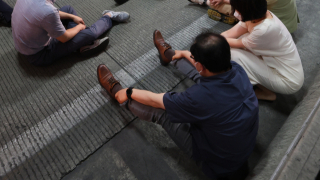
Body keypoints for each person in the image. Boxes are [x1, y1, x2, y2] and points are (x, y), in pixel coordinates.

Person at [97, 31, 258, 180]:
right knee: (201, 77)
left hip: (218, 167)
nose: (192, 58)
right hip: (239, 150)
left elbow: (156, 100)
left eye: (194, 58)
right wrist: (180, 54)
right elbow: (202, 70)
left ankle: (119, 95)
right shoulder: (236, 69)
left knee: (162, 113)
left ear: (200, 64)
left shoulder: (197, 98)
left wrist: (129, 92)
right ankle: (168, 55)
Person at [13, 0, 129, 66]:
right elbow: (64, 38)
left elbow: (46, 14)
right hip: (38, 55)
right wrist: (79, 27)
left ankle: (82, 44)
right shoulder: (48, 11)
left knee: (68, 10)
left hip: (24, 44)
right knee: (90, 33)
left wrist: (72, 17)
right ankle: (108, 17)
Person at [221, 0, 304, 101]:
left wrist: (207, 44)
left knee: (232, 54)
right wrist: (210, 41)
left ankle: (267, 93)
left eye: (237, 9)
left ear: (248, 10)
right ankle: (259, 81)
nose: (235, 12)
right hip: (277, 65)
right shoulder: (258, 15)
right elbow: (229, 34)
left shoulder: (264, 29)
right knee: (241, 38)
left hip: (287, 80)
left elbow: (228, 42)